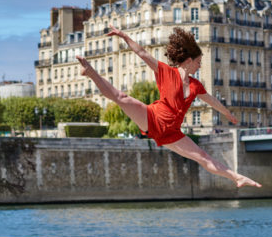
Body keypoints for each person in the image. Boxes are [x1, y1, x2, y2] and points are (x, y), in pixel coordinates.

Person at [77, 25, 261, 188]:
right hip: (153, 118)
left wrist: (228, 114)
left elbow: (212, 101)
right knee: (122, 97)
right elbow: (142, 53)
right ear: (188, 61)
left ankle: (237, 178)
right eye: (198, 62)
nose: (199, 66)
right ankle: (90, 72)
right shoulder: (166, 72)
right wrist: (124, 36)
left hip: (172, 133)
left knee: (203, 157)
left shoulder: (196, 85)